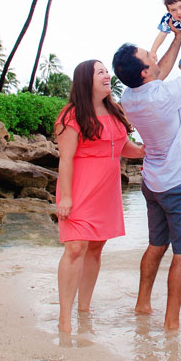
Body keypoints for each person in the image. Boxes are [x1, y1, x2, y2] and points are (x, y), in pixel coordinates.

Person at [112, 15, 181, 331]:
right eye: (149, 56)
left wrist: (178, 37)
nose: (154, 56)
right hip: (178, 184)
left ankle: (142, 303)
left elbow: (160, 72)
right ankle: (171, 322)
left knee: (157, 245)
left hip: (152, 183)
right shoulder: (163, 97)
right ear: (143, 72)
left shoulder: (130, 97)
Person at [55, 60, 145, 334]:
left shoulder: (115, 111)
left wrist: (145, 151)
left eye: (107, 71)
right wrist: (66, 198)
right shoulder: (71, 115)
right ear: (86, 81)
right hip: (79, 190)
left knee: (94, 249)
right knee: (75, 248)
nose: (107, 75)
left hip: (107, 191)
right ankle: (64, 318)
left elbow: (121, 146)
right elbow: (66, 159)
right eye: (100, 72)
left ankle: (84, 309)